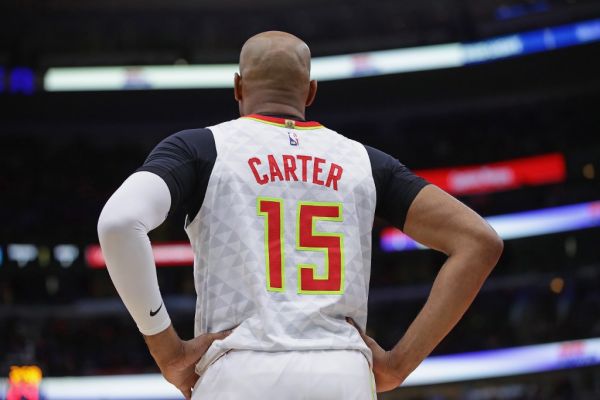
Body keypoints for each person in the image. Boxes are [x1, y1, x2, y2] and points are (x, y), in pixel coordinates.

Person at [97, 31, 503, 399]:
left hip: (242, 369)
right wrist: (398, 365)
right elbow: (479, 241)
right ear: (310, 92)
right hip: (343, 372)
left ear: (237, 87)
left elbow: (118, 224)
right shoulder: (364, 161)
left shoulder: (201, 148)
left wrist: (166, 349)